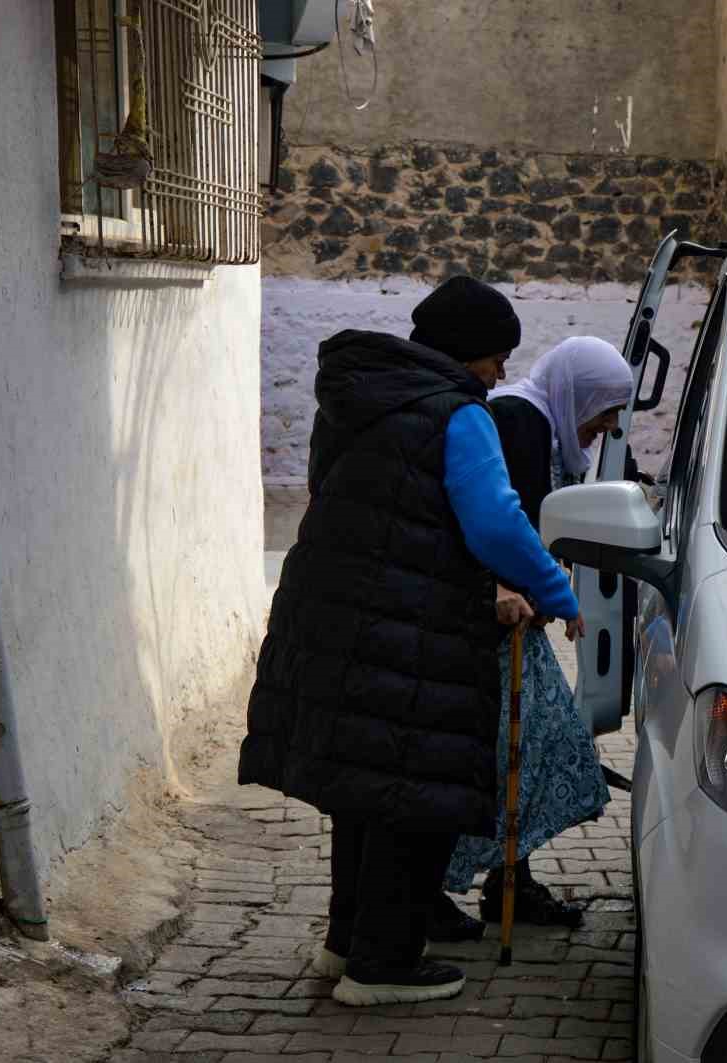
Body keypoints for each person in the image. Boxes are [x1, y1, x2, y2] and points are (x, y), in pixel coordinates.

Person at [237, 276, 582, 1007]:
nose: (498, 374)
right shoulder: (458, 415)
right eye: (495, 357)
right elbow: (493, 522)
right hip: (413, 626)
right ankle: (384, 964)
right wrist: (555, 590)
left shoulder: (359, 398)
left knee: (362, 788)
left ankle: (347, 940)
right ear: (467, 352)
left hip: (333, 614)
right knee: (413, 793)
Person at [443, 337, 634, 928]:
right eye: (603, 410)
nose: (604, 427)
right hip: (491, 623)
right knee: (516, 749)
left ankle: (511, 880)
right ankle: (485, 884)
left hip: (516, 621)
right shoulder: (518, 419)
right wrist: (503, 585)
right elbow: (487, 517)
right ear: (578, 394)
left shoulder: (539, 423)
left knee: (530, 748)